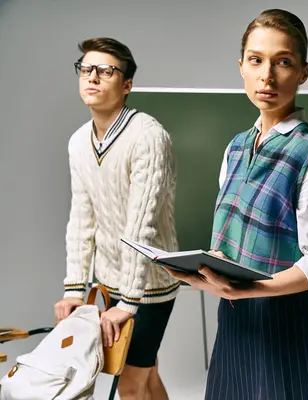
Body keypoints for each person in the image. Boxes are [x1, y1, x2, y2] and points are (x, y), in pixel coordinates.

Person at [165, 9, 308, 399]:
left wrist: (252, 289)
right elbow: (228, 243)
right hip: (234, 325)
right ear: (241, 67)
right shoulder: (236, 148)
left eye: (283, 62)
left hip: (286, 330)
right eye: (256, 60)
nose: (267, 76)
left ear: (303, 72)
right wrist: (203, 271)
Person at [53, 37, 179, 400]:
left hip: (150, 285)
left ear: (126, 85)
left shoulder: (148, 136)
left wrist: (128, 305)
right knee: (147, 374)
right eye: (86, 69)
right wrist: (75, 288)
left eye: (105, 71)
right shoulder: (78, 142)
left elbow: (141, 226)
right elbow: (81, 218)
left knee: (129, 385)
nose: (92, 77)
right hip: (108, 283)